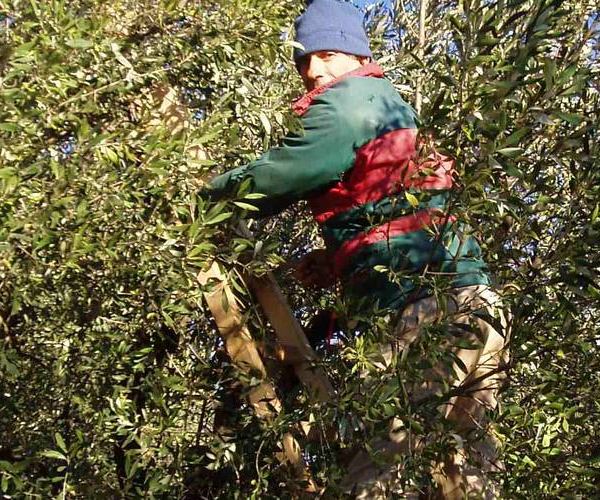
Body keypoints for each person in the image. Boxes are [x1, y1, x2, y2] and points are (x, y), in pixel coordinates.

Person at [201, 1, 508, 497]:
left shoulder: (349, 103)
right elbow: (394, 203)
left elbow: (288, 170)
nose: (313, 70)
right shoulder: (386, 103)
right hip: (478, 307)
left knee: (380, 470)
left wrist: (207, 199)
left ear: (353, 53)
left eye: (324, 54)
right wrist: (341, 256)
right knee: (466, 471)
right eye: (303, 60)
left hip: (427, 309)